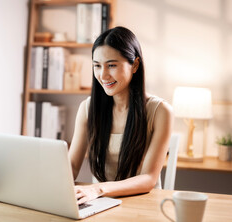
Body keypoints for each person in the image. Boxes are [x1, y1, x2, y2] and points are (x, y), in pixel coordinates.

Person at [69, 26, 174, 205]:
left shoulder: (160, 111)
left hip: (144, 205)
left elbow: (148, 178)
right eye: (97, 66)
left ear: (135, 65)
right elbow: (71, 166)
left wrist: (98, 189)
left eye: (111, 65)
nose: (103, 75)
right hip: (102, 204)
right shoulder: (87, 108)